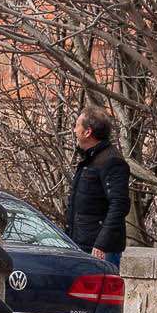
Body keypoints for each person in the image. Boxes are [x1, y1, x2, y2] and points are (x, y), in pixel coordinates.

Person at [67, 107, 131, 266]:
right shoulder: (90, 159)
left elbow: (119, 204)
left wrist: (102, 244)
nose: (74, 130)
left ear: (87, 132)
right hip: (82, 244)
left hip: (100, 250)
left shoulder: (111, 161)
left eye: (77, 125)